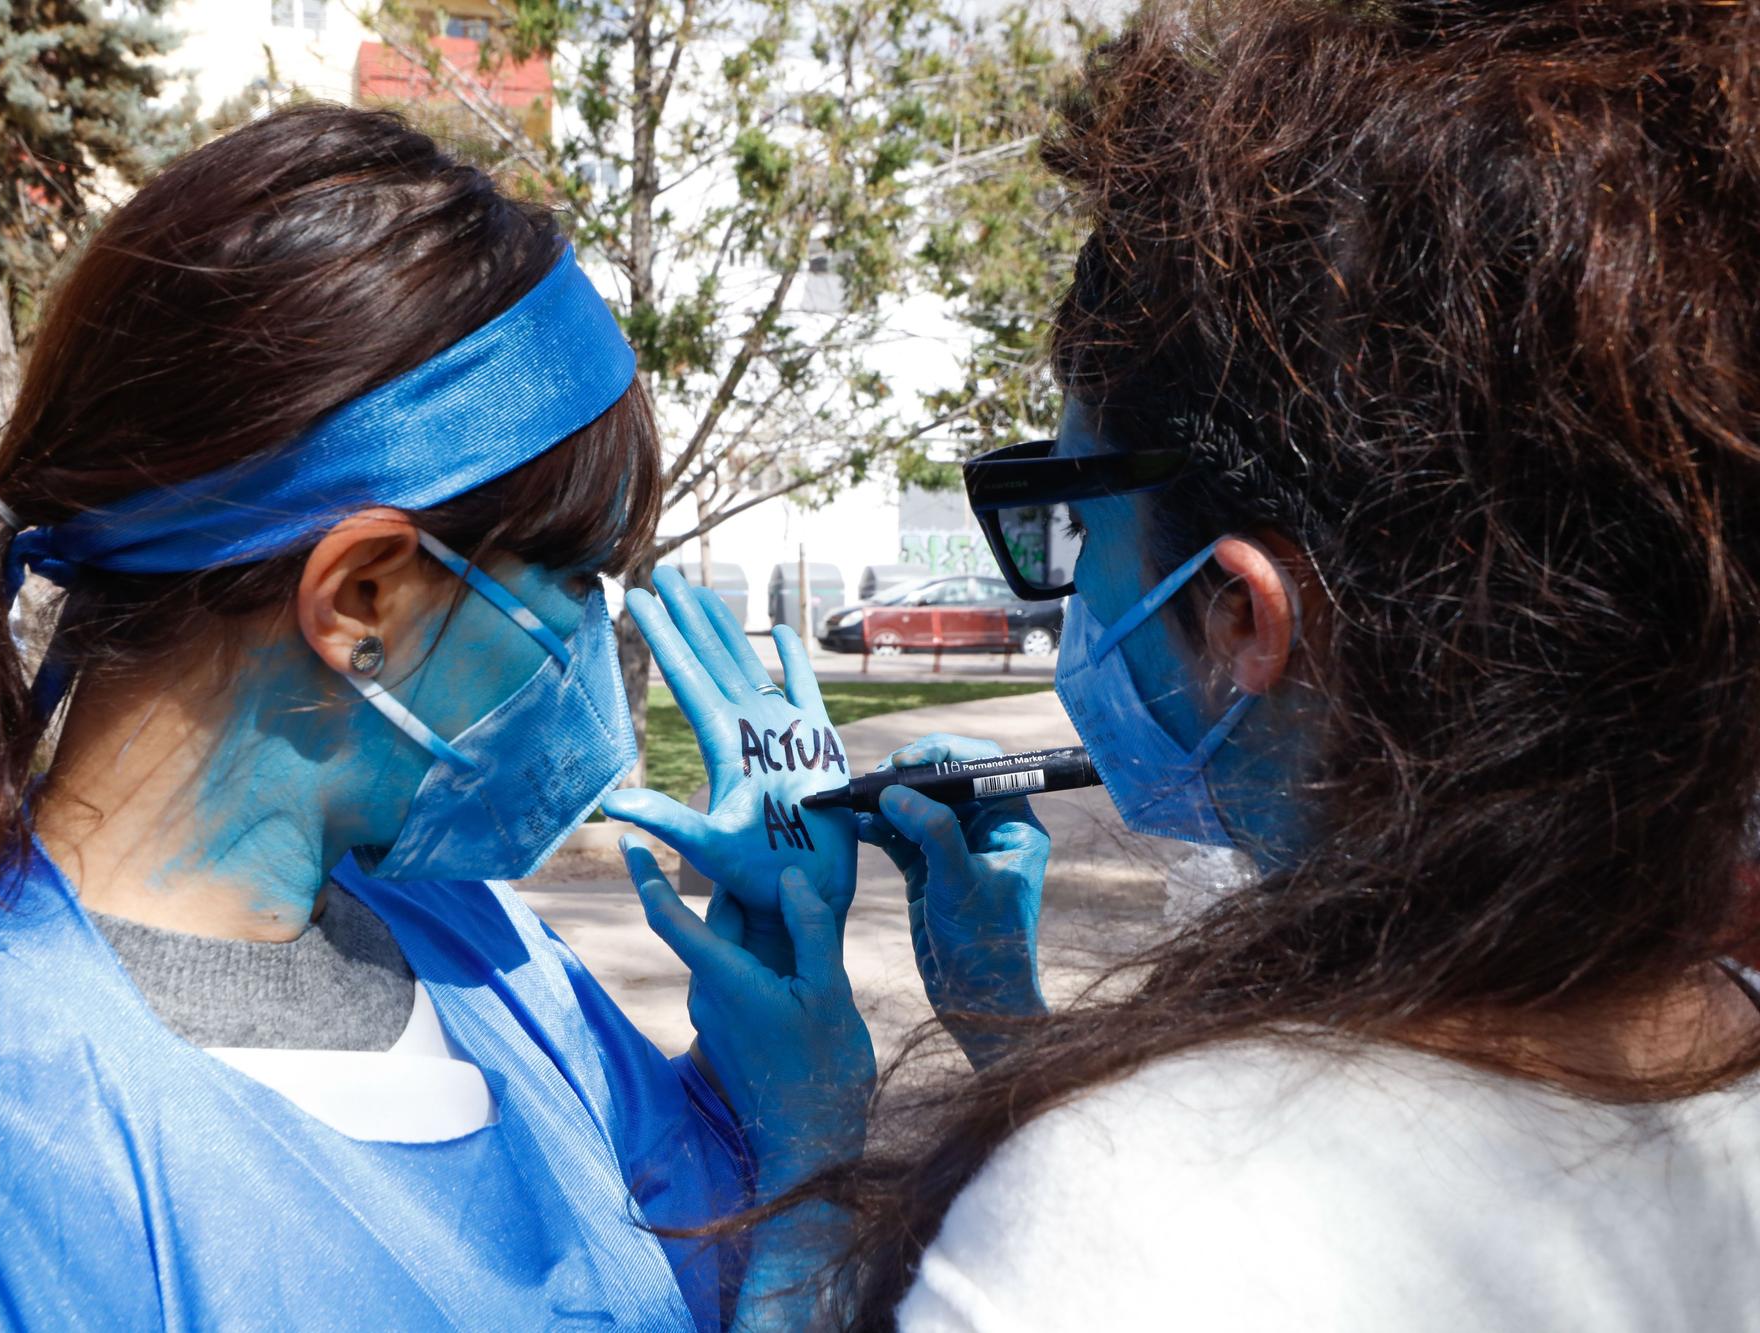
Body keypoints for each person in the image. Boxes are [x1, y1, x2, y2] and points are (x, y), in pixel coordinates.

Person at [615, 1, 1760, 1328]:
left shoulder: (1140, 1221)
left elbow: (1188, 1232)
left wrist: (814, 1146)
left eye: (1075, 528)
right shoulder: (1718, 1028)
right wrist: (1011, 1030)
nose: (1062, 599)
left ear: (1241, 616)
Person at [0, 105, 866, 1330]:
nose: (592, 640)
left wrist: (776, 1100)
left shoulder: (473, 948)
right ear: (363, 597)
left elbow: (685, 1268)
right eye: (572, 577)